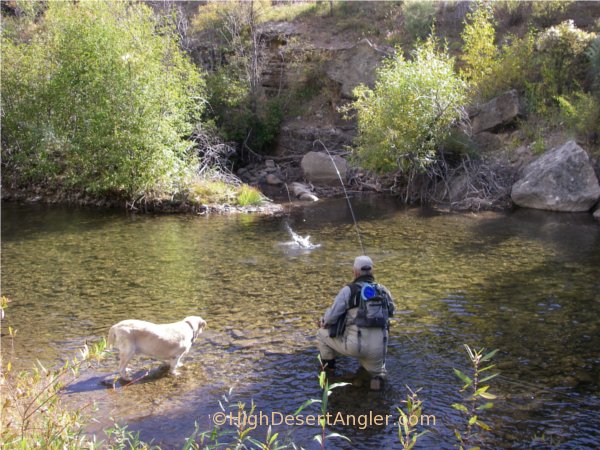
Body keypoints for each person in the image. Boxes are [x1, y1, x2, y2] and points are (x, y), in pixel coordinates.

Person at [316, 255, 395, 389]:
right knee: (377, 373)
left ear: (355, 272)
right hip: (379, 348)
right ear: (372, 271)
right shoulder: (383, 290)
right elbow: (392, 312)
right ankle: (376, 393)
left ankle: (329, 374)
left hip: (356, 346)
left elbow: (331, 318)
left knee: (321, 334)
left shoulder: (348, 290)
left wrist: (324, 322)